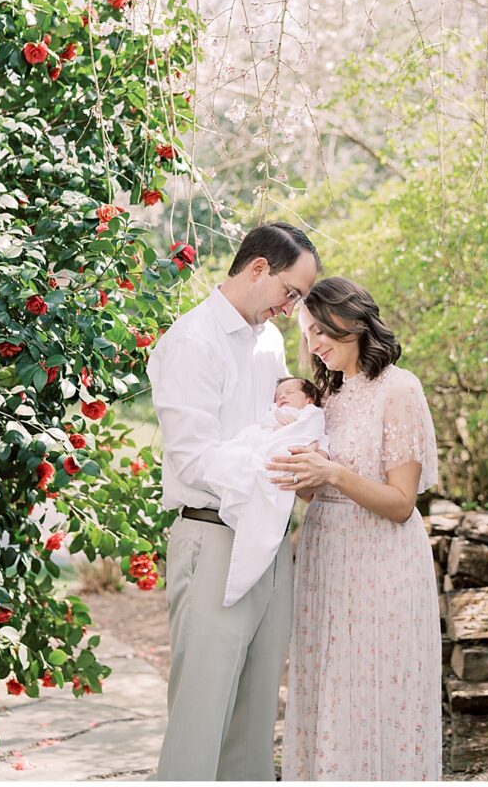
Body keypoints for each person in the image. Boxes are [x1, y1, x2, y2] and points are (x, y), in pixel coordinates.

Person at [147, 222, 321, 781]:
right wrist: (274, 469)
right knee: (202, 715)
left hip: (269, 537)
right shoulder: (190, 342)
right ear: (257, 269)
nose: (292, 307)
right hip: (212, 534)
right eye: (290, 292)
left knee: (254, 719)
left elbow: (273, 425)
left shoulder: (268, 341)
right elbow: (194, 459)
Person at [269, 276, 442, 781]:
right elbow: (313, 489)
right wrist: (300, 468)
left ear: (355, 323)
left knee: (374, 690)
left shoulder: (400, 389)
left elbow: (401, 504)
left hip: (382, 565)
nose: (314, 345)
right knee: (328, 688)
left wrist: (332, 472)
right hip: (326, 558)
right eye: (307, 335)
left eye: (322, 331)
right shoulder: (328, 395)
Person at [205, 377, 328, 608]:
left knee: (268, 493)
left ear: (310, 399)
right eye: (278, 395)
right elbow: (262, 428)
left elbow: (314, 439)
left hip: (289, 453)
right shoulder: (273, 413)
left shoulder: (313, 415)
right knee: (239, 455)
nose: (282, 397)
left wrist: (301, 438)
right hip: (265, 450)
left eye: (289, 392)